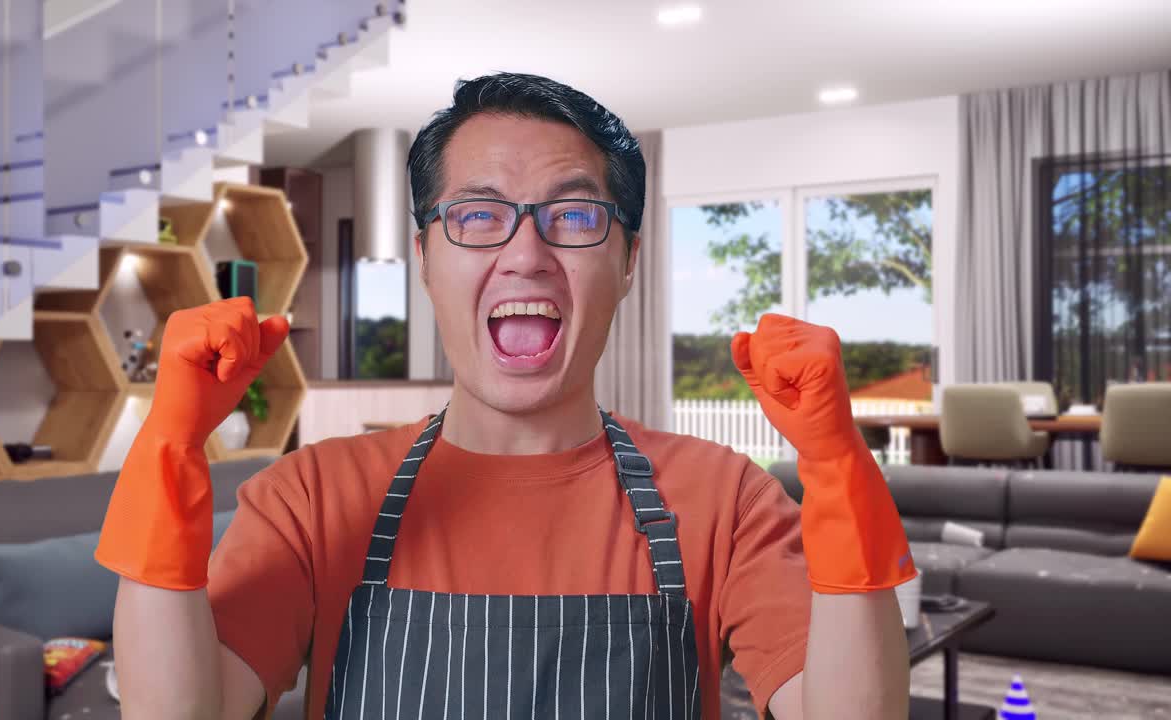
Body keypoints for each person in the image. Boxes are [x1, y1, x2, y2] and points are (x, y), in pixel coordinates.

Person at [95, 72, 915, 720]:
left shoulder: (723, 500)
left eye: (574, 215)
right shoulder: (311, 498)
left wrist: (837, 464)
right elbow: (179, 711)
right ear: (424, 257)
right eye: (478, 215)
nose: (526, 252)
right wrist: (167, 450)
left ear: (627, 262)